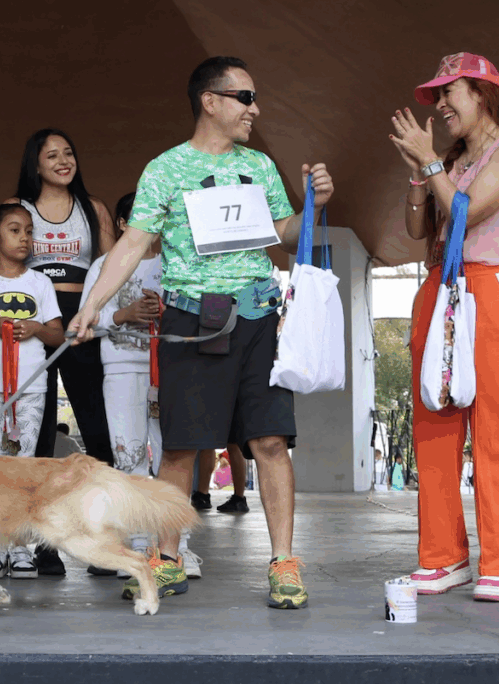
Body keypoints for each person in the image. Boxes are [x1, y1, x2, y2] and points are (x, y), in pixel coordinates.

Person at [71, 55, 334, 611]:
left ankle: (283, 562)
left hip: (259, 315)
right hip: (192, 319)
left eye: (254, 98)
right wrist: (90, 307)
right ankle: (165, 560)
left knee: (269, 441)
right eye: (244, 97)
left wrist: (312, 205)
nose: (254, 109)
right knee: (181, 446)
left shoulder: (260, 166)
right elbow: (133, 243)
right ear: (210, 101)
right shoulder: (165, 169)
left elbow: (284, 234)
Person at [388, 52, 499, 602]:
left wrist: (430, 162)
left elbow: (471, 212)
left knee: (495, 427)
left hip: (494, 285)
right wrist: (419, 171)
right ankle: (442, 556)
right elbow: (416, 227)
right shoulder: (445, 160)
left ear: (483, 93)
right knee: (434, 421)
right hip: (439, 286)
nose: (442, 104)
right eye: (438, 94)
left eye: (452, 92)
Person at [7, 128, 118, 467]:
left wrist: (103, 313)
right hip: (33, 315)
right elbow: (2, 266)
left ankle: (107, 496)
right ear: (35, 165)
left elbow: (112, 267)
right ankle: (31, 498)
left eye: (68, 153)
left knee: (94, 410)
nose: (63, 161)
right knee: (35, 411)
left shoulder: (93, 208)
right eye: (52, 155)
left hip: (79, 314)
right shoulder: (16, 207)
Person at [0, 204, 64, 487]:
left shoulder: (40, 283)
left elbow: (59, 336)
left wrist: (38, 328)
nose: (24, 238)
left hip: (31, 385)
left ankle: (20, 526)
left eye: (29, 232)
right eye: (15, 230)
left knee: (24, 462)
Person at [87, 192, 163, 480]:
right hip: (122, 370)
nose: (150, 225)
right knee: (128, 454)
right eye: (140, 217)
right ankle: (136, 525)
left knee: (173, 452)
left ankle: (173, 525)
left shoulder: (173, 266)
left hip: (170, 369)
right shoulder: (104, 266)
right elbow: (85, 324)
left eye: (156, 217)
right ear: (121, 223)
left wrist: (164, 311)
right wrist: (124, 314)